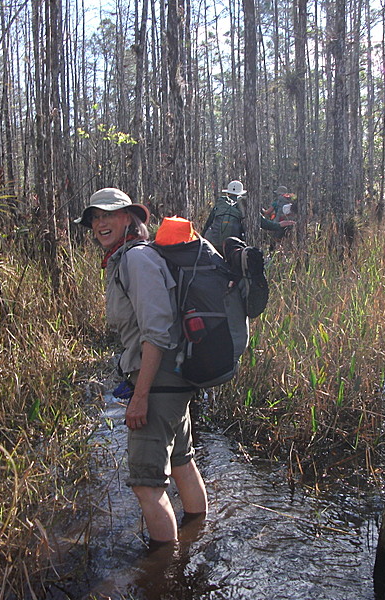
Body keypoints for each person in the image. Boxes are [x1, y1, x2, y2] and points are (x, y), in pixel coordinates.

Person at [76, 187, 207, 551]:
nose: (100, 224)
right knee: (181, 461)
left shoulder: (137, 260)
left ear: (128, 218)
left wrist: (141, 396)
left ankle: (166, 572)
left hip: (159, 382)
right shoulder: (128, 259)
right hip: (171, 381)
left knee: (147, 486)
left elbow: (157, 333)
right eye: (95, 218)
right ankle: (198, 539)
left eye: (108, 215)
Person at [203, 180, 294, 252]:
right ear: (241, 193)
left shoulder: (220, 203)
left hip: (213, 243)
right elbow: (263, 223)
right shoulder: (244, 204)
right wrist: (279, 225)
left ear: (228, 193)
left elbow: (208, 223)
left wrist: (202, 240)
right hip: (233, 244)